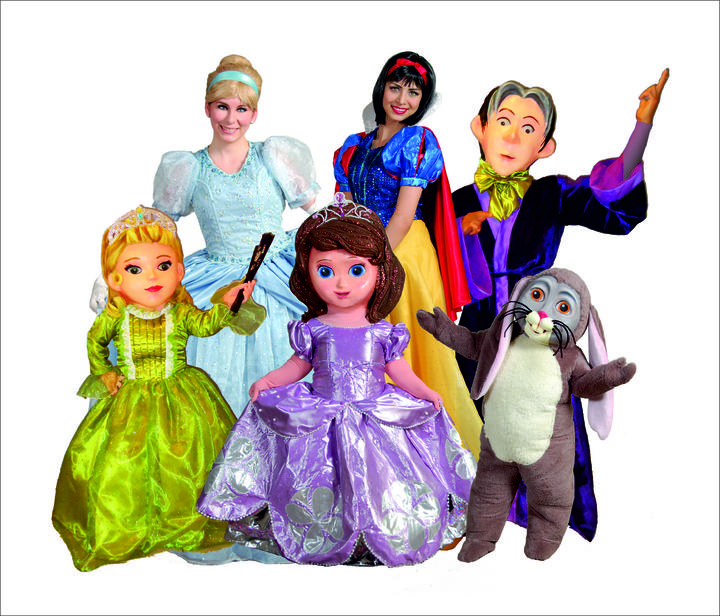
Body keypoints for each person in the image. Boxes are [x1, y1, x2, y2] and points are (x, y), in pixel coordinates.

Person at [197, 197, 476, 566]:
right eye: (326, 271)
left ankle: (379, 532)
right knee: (320, 479)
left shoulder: (381, 331)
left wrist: (423, 391)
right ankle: (324, 532)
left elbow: (397, 369)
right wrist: (270, 380)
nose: (342, 284)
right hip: (322, 412)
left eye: (356, 270)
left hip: (374, 412)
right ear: (307, 274)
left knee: (381, 478)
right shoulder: (314, 328)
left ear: (381, 273)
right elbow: (298, 364)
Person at [450, 70, 669, 542]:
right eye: (503, 122)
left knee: (547, 422)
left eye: (528, 128)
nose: (512, 136)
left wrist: (641, 128)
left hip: (538, 325)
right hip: (479, 326)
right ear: (479, 128)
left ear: (545, 147)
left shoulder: (551, 194)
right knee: (472, 421)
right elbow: (421, 261)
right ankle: (474, 514)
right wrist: (460, 235)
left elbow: (610, 196)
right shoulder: (455, 201)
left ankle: (544, 513)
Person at [53, 206, 264, 571]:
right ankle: (135, 523)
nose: (152, 276)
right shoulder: (116, 316)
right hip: (130, 396)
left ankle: (185, 522)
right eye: (135, 269)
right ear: (115, 279)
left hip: (182, 396)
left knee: (188, 459)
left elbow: (206, 325)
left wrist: (229, 305)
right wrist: (103, 372)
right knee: (124, 461)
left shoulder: (179, 313)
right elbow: (95, 342)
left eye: (163, 265)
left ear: (179, 271)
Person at [148, 54, 320, 413]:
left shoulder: (274, 155)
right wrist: (115, 271)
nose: (231, 119)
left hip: (279, 273)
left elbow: (316, 210)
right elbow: (159, 225)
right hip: (215, 277)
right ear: (207, 108)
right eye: (222, 107)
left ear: (254, 114)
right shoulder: (188, 168)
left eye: (241, 109)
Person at [333, 51, 481, 458]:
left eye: (413, 92)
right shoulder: (353, 146)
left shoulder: (417, 142)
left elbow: (402, 215)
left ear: (423, 100)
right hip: (363, 254)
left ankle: (429, 456)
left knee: (412, 353)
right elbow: (345, 206)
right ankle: (378, 453)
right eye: (395, 87)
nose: (402, 99)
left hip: (402, 254)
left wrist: (367, 265)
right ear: (382, 88)